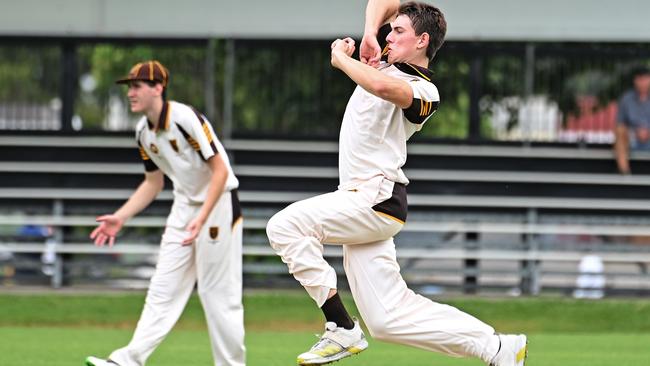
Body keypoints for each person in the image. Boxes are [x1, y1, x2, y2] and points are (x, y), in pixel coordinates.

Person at [266, 1, 527, 366]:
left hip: (376, 200)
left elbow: (383, 88)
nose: (391, 35)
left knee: (284, 226)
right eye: (391, 30)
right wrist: (371, 32)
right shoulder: (384, 64)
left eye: (399, 31)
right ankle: (498, 347)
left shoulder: (423, 90)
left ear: (422, 41)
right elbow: (382, 2)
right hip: (360, 202)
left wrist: (344, 60)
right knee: (387, 319)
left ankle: (341, 327)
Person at [85, 60, 245, 366]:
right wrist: (122, 217)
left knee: (218, 296)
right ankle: (127, 360)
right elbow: (153, 183)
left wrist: (203, 216)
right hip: (184, 208)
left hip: (219, 204)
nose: (130, 93)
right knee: (162, 288)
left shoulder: (184, 118)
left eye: (137, 86)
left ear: (158, 88)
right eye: (129, 87)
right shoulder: (144, 133)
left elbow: (220, 171)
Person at [614, 66, 650, 174]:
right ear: (635, 80)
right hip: (632, 139)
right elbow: (619, 124)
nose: (643, 82)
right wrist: (635, 132)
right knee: (620, 131)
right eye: (640, 79)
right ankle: (625, 172)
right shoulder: (626, 99)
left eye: (646, 79)